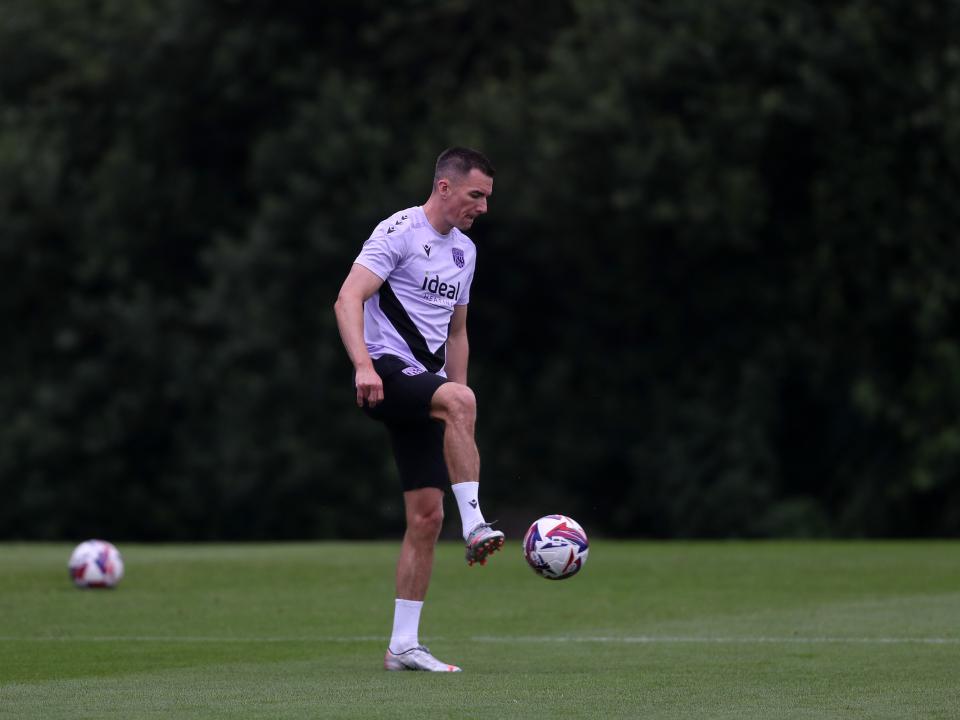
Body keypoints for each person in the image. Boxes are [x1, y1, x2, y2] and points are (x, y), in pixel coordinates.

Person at [333, 147, 503, 673]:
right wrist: (362, 365)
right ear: (445, 187)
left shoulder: (465, 253)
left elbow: (457, 331)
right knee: (458, 399)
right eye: (477, 195)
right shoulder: (399, 231)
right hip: (383, 372)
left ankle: (402, 646)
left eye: (489, 198)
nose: (483, 207)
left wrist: (460, 407)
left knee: (426, 517)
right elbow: (347, 299)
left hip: (426, 387)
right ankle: (475, 526)